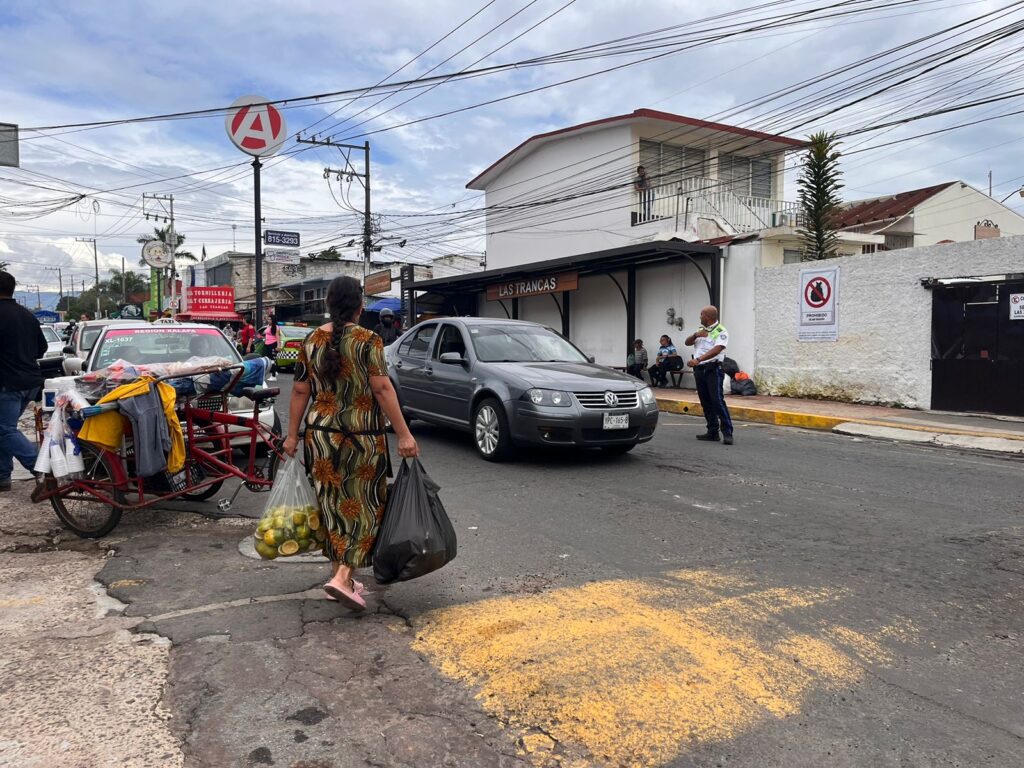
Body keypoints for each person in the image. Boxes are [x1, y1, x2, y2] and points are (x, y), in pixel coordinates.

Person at [282, 276, 418, 611]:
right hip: (362, 441)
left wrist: (290, 435)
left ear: (328, 304)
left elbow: (300, 390)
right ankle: (342, 577)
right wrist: (404, 434)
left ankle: (343, 579)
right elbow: (382, 389)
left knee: (333, 507)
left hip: (321, 439)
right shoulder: (368, 340)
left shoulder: (311, 339)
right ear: (360, 306)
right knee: (365, 508)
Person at [0, 272, 48, 492]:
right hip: (31, 382)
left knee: (5, 429)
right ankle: (2, 477)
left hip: (7, 383)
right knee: (5, 428)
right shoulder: (27, 315)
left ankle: (41, 470)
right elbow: (42, 349)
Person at [685, 305, 734, 445]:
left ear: (708, 316)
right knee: (705, 401)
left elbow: (718, 349)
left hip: (713, 370)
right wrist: (695, 335)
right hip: (699, 370)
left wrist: (698, 359)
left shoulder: (720, 331)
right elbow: (687, 342)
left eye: (701, 314)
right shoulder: (701, 330)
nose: (700, 317)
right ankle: (712, 432)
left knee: (717, 401)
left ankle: (727, 432)